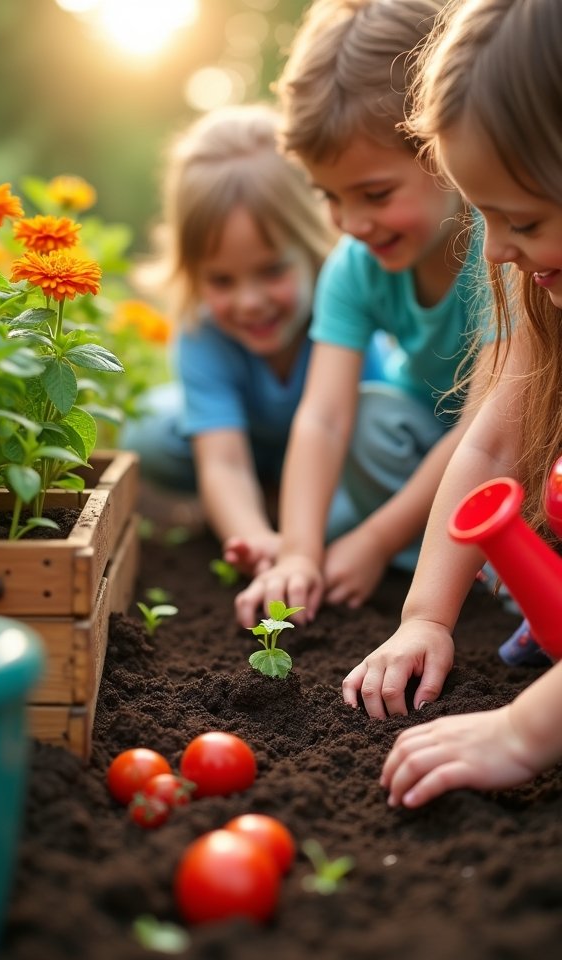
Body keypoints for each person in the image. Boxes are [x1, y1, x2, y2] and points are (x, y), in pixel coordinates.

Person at [346, 0, 562, 806]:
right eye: (484, 215)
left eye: (524, 218)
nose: (496, 249)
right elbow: (490, 446)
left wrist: (523, 730)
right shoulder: (536, 280)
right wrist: (424, 618)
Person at [235, 0, 494, 628]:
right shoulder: (354, 266)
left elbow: (488, 434)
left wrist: (374, 541)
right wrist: (297, 550)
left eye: (375, 194)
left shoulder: (499, 247)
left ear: (445, 147)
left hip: (502, 449)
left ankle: (472, 565)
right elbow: (323, 418)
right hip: (420, 446)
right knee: (372, 417)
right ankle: (434, 558)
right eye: (330, 197)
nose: (351, 224)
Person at [121, 103, 364, 575]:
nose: (249, 303)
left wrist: (304, 540)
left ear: (312, 246)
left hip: (333, 461)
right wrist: (251, 538)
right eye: (221, 280)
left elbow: (361, 447)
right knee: (150, 428)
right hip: (244, 449)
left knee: (341, 520)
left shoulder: (342, 311)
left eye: (272, 271)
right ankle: (259, 507)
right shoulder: (203, 331)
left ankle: (285, 504)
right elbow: (222, 462)